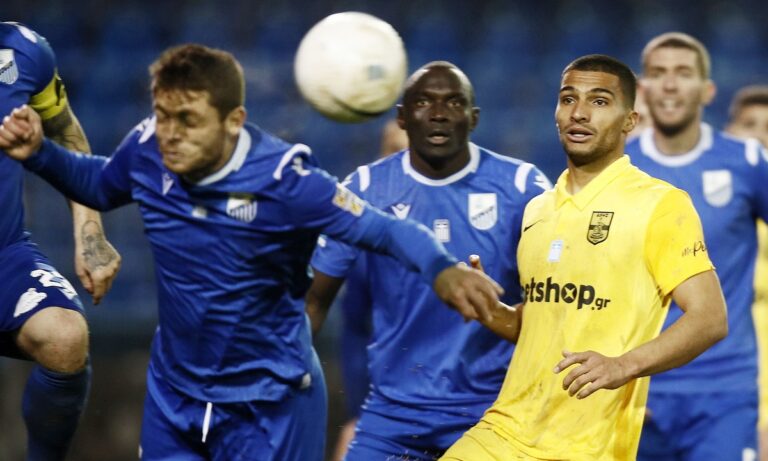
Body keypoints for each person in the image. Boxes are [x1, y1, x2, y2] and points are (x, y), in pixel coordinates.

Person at [0, 44, 503, 461]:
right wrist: (41, 154)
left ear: (233, 120)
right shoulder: (148, 149)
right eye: (163, 115)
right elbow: (100, 184)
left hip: (269, 405)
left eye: (188, 120)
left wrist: (443, 271)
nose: (170, 134)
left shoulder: (287, 181)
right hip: (174, 397)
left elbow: (385, 230)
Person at [441, 54, 728, 461]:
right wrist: (490, 310)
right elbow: (545, 325)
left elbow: (710, 318)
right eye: (568, 98)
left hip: (586, 446)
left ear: (629, 120)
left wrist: (623, 365)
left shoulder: (660, 205)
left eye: (599, 101)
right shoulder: (537, 210)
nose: (579, 112)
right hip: (504, 428)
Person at [306, 61, 550, 460]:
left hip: (495, 412)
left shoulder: (523, 187)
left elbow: (557, 306)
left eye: (453, 103)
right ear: (402, 118)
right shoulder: (365, 189)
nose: (438, 113)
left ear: (474, 118)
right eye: (423, 102)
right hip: (393, 415)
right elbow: (314, 300)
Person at [626, 33, 768, 460]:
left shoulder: (746, 162)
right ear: (643, 89)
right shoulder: (618, 166)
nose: (670, 84)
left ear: (707, 90)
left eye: (683, 73)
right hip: (638, 387)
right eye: (658, 73)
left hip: (724, 392)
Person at [0, 22, 121, 460]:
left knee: (65, 337)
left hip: (5, 254)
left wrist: (90, 229)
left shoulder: (25, 50)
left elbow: (65, 131)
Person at [327, 118, 408, 461]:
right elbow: (356, 329)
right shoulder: (364, 245)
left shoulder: (471, 232)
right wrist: (357, 414)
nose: (402, 162)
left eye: (409, 152)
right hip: (386, 406)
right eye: (392, 151)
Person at [724, 84, 768, 460]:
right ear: (728, 132)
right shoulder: (700, 204)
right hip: (715, 369)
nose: (759, 136)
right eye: (749, 124)